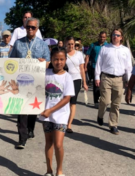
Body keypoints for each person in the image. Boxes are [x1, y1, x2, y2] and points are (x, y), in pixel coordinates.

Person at [10, 17, 50, 149]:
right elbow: (11, 61)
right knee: (21, 109)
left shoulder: (42, 44)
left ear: (37, 29)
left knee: (33, 108)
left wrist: (43, 63)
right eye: (28, 27)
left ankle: (30, 128)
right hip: (21, 81)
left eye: (33, 27)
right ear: (25, 28)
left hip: (36, 81)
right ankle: (22, 138)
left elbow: (48, 61)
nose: (31, 29)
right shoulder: (18, 43)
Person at [39, 47, 75, 176]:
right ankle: (49, 170)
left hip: (61, 114)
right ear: (51, 60)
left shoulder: (67, 77)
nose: (58, 62)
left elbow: (67, 98)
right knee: (48, 142)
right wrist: (36, 65)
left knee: (58, 144)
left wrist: (51, 110)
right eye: (55, 59)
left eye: (61, 59)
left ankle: (59, 170)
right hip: (46, 115)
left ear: (65, 60)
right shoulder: (45, 73)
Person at [95, 29, 132, 135]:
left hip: (119, 79)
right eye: (113, 35)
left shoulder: (125, 50)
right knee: (105, 101)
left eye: (117, 35)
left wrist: (128, 80)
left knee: (116, 104)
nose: (115, 36)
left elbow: (128, 67)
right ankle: (100, 115)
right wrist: (97, 77)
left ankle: (113, 124)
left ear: (121, 37)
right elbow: (99, 63)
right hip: (106, 77)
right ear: (111, 37)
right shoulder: (105, 48)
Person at [65, 36, 88, 133]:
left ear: (75, 44)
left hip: (76, 79)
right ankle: (62, 121)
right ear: (66, 44)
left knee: (72, 102)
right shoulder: (63, 53)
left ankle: (69, 124)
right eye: (69, 44)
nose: (71, 46)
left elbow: (82, 69)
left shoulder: (79, 54)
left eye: (72, 44)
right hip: (65, 79)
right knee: (64, 101)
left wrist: (84, 82)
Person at [85, 31, 108, 107]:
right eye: (101, 37)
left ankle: (104, 100)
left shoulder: (108, 46)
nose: (102, 38)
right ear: (99, 36)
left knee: (104, 85)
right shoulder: (93, 45)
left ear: (106, 37)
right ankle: (96, 101)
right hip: (94, 67)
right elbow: (87, 55)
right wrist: (85, 66)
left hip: (105, 68)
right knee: (96, 85)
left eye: (104, 37)